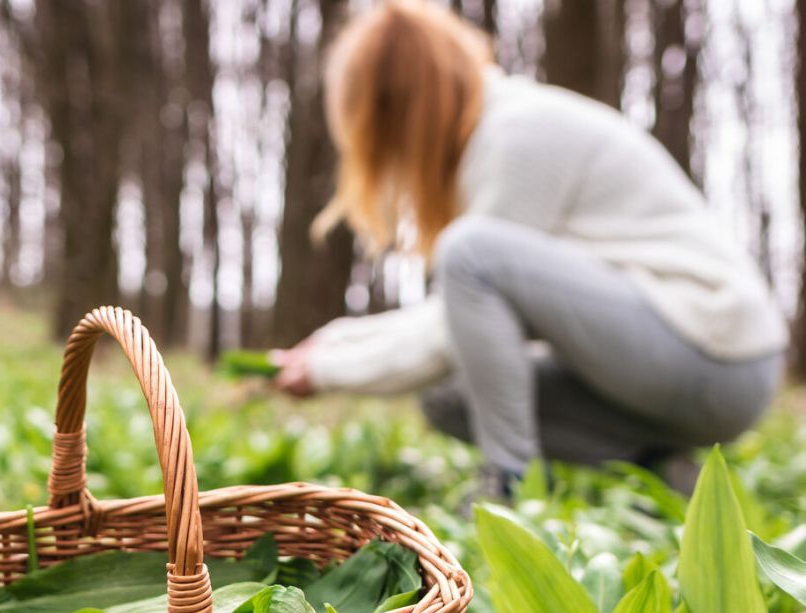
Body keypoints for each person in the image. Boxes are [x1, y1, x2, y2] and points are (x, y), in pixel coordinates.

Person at [271, 0, 787, 497]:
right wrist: (331, 345)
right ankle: (667, 473)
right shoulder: (489, 139)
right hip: (668, 364)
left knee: (468, 254)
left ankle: (509, 484)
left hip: (718, 355)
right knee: (449, 399)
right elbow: (451, 324)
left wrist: (326, 371)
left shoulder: (517, 132)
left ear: (401, 104)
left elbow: (450, 315)